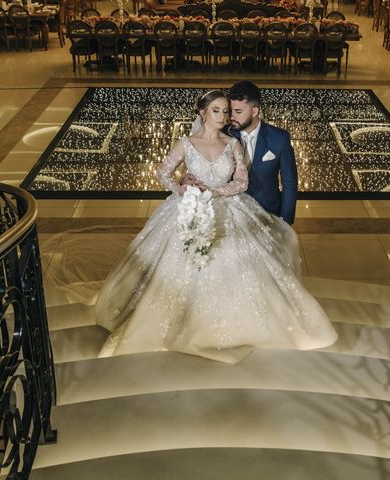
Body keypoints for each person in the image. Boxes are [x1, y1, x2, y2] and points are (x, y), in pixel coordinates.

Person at [94, 89, 337, 364]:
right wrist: (182, 189)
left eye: (225, 111)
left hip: (229, 209)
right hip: (188, 209)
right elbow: (162, 172)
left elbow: (241, 182)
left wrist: (213, 191)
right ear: (202, 112)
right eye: (216, 110)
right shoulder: (186, 143)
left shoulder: (232, 144)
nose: (222, 116)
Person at [185, 81, 298, 225]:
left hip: (267, 214)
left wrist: (286, 222)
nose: (231, 117)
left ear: (255, 111)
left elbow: (289, 184)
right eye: (230, 111)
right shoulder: (221, 134)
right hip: (230, 214)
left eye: (238, 112)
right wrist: (186, 181)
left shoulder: (279, 138)